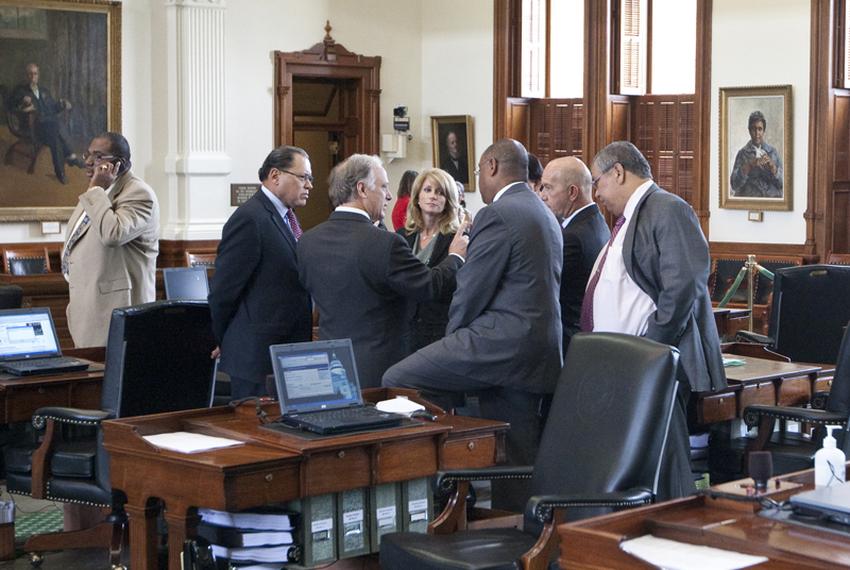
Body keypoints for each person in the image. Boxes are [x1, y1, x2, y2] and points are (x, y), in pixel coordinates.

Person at [383, 139, 563, 510]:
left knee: (398, 379)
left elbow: (470, 288)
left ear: (492, 166)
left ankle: (437, 489)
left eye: (480, 171)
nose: (479, 179)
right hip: (540, 350)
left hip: (499, 343)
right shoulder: (543, 210)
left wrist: (452, 344)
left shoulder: (496, 214)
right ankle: (521, 535)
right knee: (517, 457)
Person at [583, 140, 726, 500]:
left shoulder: (667, 208)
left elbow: (684, 286)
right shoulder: (633, 215)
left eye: (598, 182)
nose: (597, 194)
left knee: (666, 461)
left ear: (618, 171)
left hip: (656, 358)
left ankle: (674, 527)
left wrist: (650, 348)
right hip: (627, 361)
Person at [297, 154, 469, 387]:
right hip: (379, 368)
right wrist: (456, 256)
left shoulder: (308, 241)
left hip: (329, 364)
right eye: (384, 187)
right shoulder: (386, 243)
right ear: (362, 189)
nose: (389, 195)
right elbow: (428, 286)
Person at [208, 146, 313, 399]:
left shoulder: (288, 217)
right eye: (303, 177)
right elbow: (224, 290)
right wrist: (224, 339)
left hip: (286, 349)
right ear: (275, 175)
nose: (309, 185)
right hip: (256, 357)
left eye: (311, 179)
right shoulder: (250, 218)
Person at [62, 132, 159, 348]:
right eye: (88, 154)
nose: (88, 161)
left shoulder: (138, 193)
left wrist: (96, 189)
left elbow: (113, 234)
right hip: (89, 308)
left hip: (118, 311)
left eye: (98, 157)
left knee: (114, 379)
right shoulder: (98, 192)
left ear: (119, 164)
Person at [538, 156, 610, 353]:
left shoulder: (573, 237)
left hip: (569, 342)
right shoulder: (596, 221)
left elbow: (543, 288)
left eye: (548, 187)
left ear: (572, 192)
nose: (542, 195)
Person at [399, 168, 463, 351]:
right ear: (417, 196)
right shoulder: (402, 236)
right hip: (404, 326)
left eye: (440, 192)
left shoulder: (456, 239)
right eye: (427, 190)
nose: (433, 196)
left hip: (440, 327)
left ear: (448, 201)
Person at [10, 63, 84, 184]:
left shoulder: (44, 91)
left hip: (49, 126)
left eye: (35, 74)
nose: (32, 76)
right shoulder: (20, 91)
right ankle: (71, 156)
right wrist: (23, 105)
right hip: (33, 127)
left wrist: (62, 104)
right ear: (26, 75)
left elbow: (52, 107)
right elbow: (11, 106)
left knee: (54, 136)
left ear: (38, 75)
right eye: (30, 74)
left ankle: (60, 172)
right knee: (57, 125)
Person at [730, 110, 783, 198]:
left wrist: (773, 168)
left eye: (760, 129)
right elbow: (734, 185)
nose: (757, 133)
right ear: (749, 130)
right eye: (753, 129)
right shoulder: (742, 154)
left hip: (772, 202)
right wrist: (749, 165)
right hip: (750, 201)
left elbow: (784, 184)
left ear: (764, 130)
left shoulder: (773, 152)